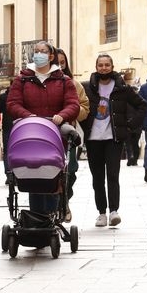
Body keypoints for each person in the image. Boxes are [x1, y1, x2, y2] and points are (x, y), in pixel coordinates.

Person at [6, 41, 79, 215]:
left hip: (54, 135)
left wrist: (62, 115)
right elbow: (13, 103)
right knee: (33, 175)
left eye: (43, 51)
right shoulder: (23, 79)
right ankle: (38, 217)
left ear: (51, 56)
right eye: (36, 51)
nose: (39, 54)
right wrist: (26, 116)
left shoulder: (63, 80)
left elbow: (73, 104)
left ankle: (52, 215)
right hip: (30, 133)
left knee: (53, 175)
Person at [79, 54, 147, 227]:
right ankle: (101, 212)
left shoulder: (122, 88)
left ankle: (114, 211)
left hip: (113, 138)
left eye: (107, 65)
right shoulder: (87, 88)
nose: (104, 68)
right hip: (93, 139)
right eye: (100, 65)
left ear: (112, 66)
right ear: (96, 67)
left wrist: (130, 126)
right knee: (97, 177)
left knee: (113, 175)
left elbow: (142, 105)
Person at [54, 48, 89, 222]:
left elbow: (85, 108)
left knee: (71, 171)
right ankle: (56, 204)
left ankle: (63, 201)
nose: (60, 66)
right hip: (48, 133)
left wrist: (70, 113)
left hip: (69, 133)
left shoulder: (74, 85)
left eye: (63, 62)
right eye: (56, 63)